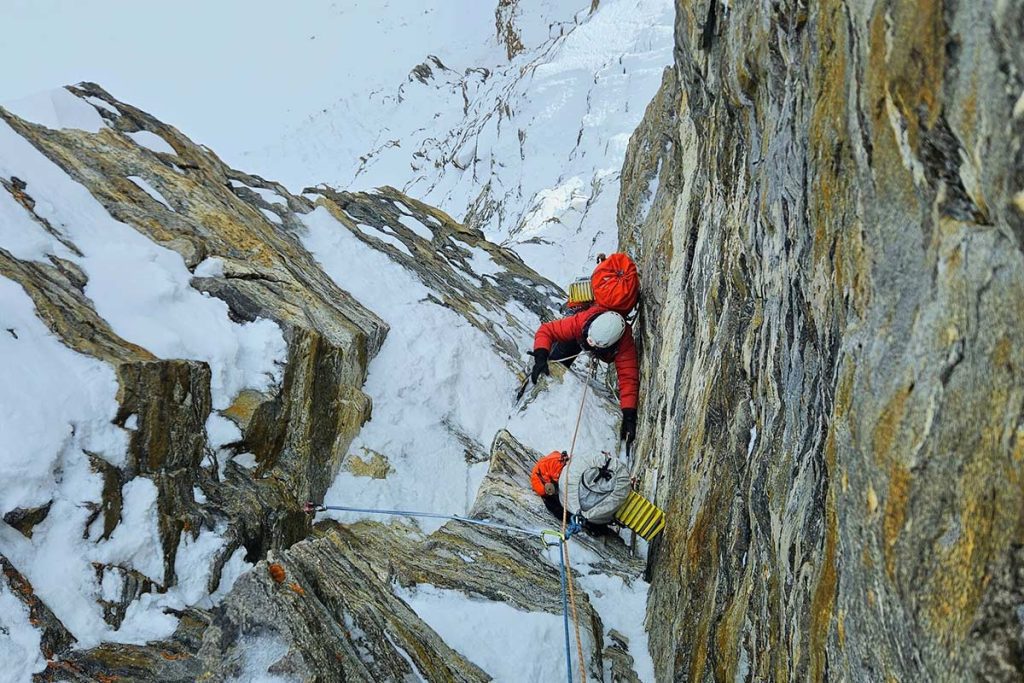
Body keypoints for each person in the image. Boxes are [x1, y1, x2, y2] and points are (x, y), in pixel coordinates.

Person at [530, 307, 639, 446]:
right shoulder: (582, 321)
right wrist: (541, 355)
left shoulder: (625, 346)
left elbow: (628, 378)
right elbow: (547, 330)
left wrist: (629, 415)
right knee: (554, 362)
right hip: (579, 335)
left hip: (587, 335)